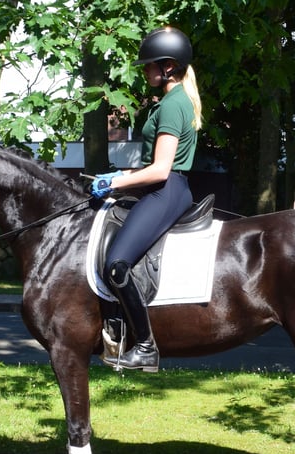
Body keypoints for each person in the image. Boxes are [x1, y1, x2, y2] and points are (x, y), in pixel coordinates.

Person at [89, 26, 202, 372]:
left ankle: (145, 346)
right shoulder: (173, 100)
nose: (145, 71)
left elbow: (161, 169)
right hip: (168, 190)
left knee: (116, 264)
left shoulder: (172, 105)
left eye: (149, 65)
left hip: (166, 190)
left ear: (168, 66)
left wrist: (118, 180)